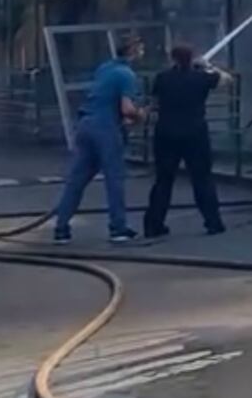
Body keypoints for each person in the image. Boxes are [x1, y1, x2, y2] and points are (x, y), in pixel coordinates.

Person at [50, 33, 145, 244]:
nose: (142, 52)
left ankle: (61, 228)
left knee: (77, 180)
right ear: (132, 50)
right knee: (114, 179)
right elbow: (127, 108)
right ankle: (118, 229)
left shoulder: (105, 68)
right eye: (140, 48)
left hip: (85, 124)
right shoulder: (126, 74)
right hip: (106, 129)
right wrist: (140, 115)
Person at [143, 45, 229, 239]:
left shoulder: (163, 78)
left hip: (165, 133)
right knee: (202, 179)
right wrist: (208, 66)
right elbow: (226, 80)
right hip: (195, 133)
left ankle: (153, 225)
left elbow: (155, 100)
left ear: (172, 58)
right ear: (191, 59)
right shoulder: (201, 78)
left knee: (163, 181)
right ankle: (213, 222)